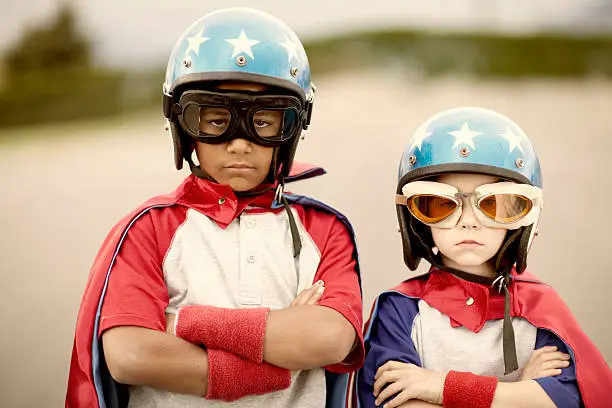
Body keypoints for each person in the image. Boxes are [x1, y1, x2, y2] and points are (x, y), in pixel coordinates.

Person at [65, 7, 365, 407]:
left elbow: (329, 338)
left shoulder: (324, 230)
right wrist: (265, 360)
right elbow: (130, 355)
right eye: (216, 119)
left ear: (293, 127)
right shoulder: (150, 229)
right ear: (182, 124)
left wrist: (182, 324)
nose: (239, 143)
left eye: (264, 121)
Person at [353, 107, 611, 408]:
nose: (469, 221)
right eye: (440, 204)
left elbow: (567, 400)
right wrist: (517, 391)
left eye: (494, 204)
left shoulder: (541, 308)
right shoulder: (399, 310)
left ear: (524, 216)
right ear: (416, 218)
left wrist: (440, 387)